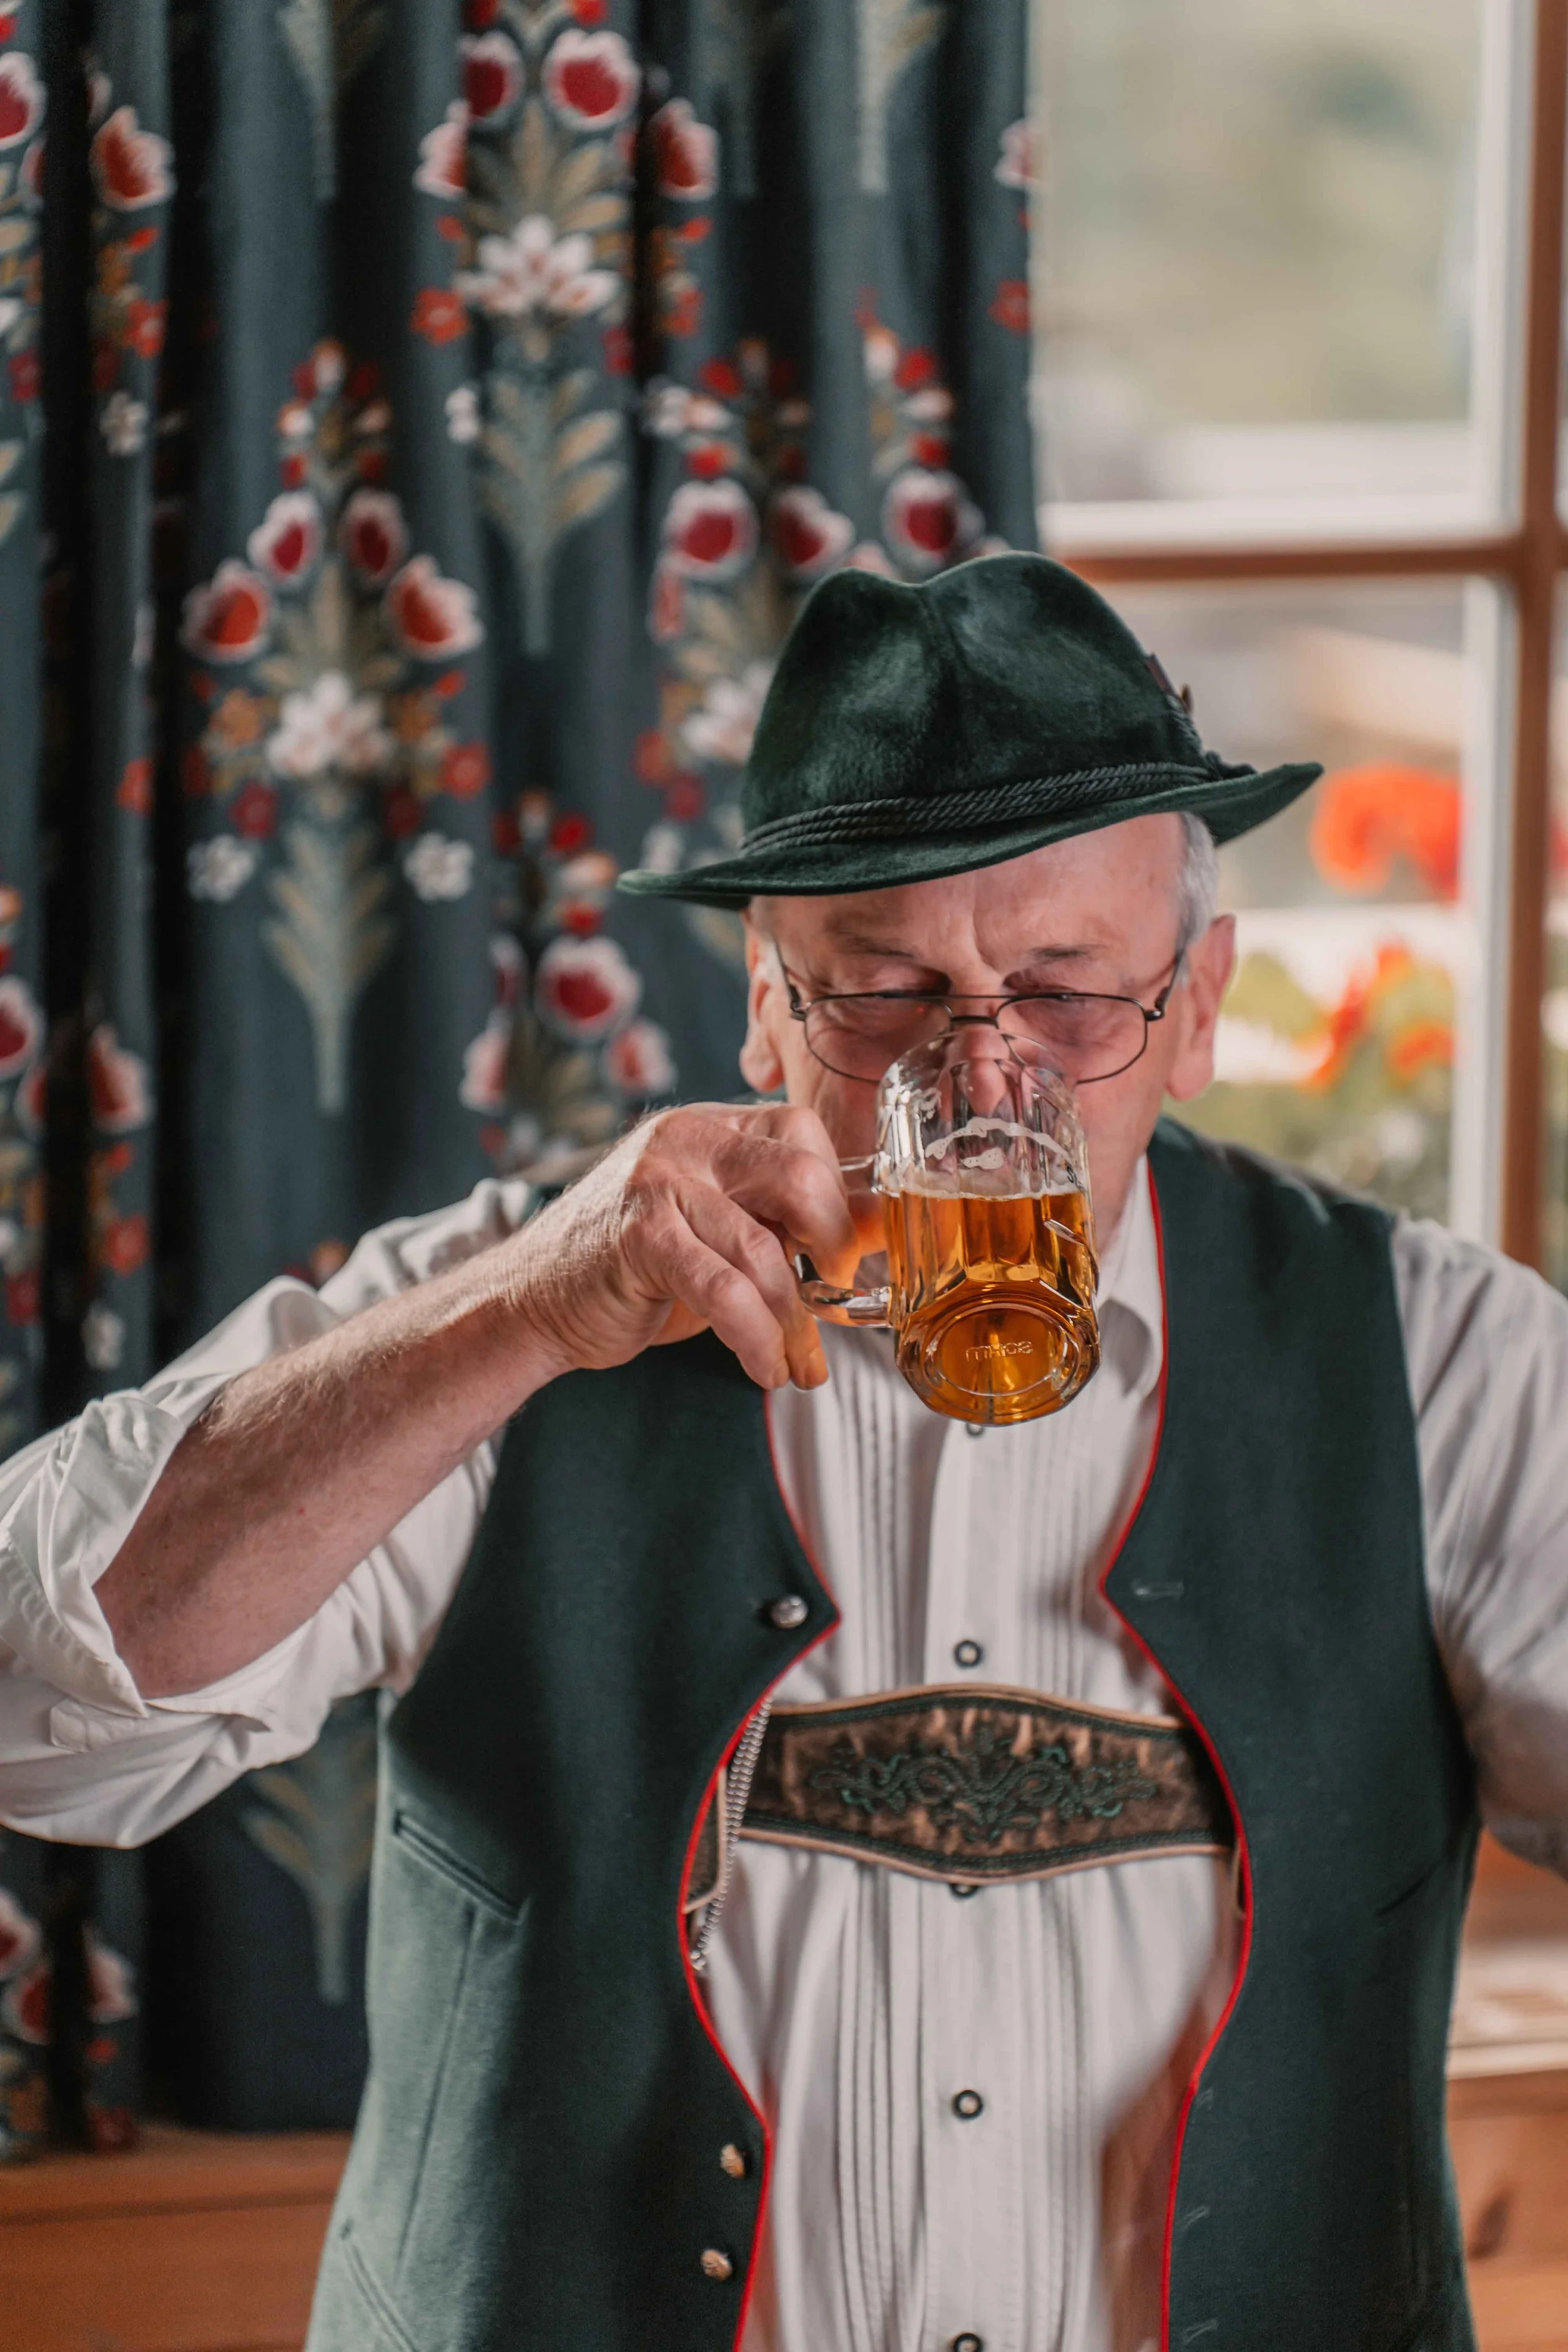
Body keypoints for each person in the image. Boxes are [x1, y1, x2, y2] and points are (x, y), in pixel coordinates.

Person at [1, 554, 1564, 2352]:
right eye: (885, 994)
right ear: (764, 1002)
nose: (988, 1086)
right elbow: (39, 1714)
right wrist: (518, 1315)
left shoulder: (1436, 1354)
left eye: (1065, 990)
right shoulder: (502, 1302)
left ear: (1195, 1003)